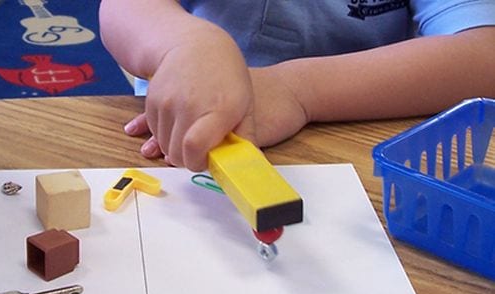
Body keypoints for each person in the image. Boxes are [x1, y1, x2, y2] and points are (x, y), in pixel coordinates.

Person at [99, 0, 495, 172]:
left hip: (359, 131)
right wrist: (181, 44)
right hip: (182, 134)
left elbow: (484, 52)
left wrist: (297, 90)